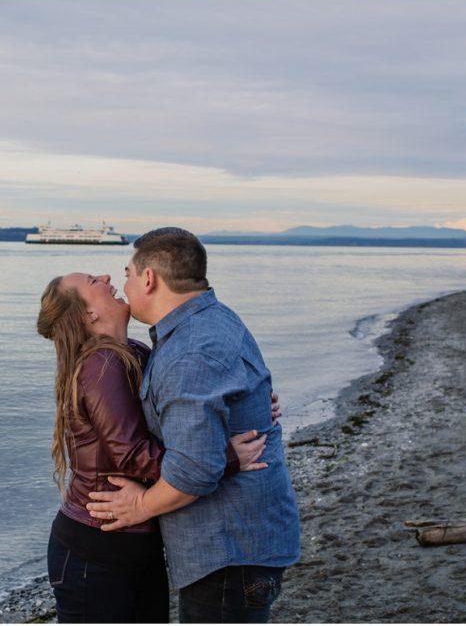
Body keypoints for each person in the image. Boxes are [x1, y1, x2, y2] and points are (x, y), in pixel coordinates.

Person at [37, 272, 281, 623]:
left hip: (135, 542)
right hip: (97, 548)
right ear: (86, 315)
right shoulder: (101, 364)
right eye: (93, 280)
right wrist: (225, 458)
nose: (106, 276)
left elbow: (184, 409)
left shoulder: (133, 352)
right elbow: (131, 455)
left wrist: (249, 406)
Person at [85, 227, 301, 623]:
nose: (125, 284)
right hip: (247, 540)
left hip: (227, 549)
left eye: (128, 273)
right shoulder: (211, 320)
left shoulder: (189, 352)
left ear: (149, 279)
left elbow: (195, 470)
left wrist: (139, 507)